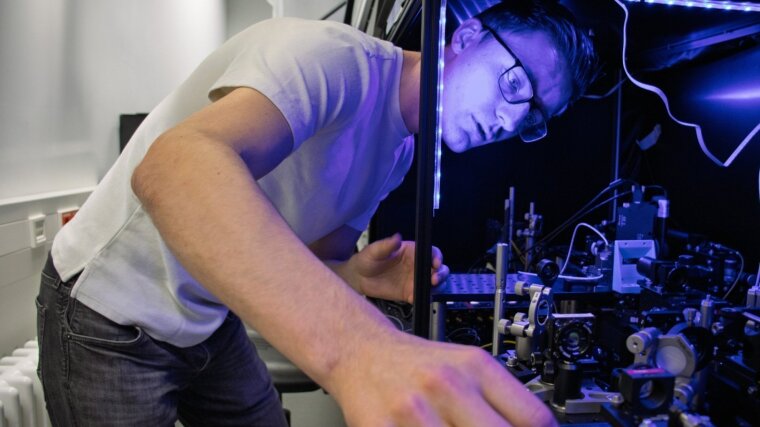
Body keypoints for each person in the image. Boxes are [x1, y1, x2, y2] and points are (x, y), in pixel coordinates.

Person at [36, 0, 596, 425]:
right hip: (110, 311)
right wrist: (363, 349)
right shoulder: (335, 61)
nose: (510, 118)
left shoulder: (399, 151)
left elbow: (315, 257)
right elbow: (173, 169)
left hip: (209, 316)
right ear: (468, 34)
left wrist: (354, 275)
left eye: (533, 118)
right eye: (516, 83)